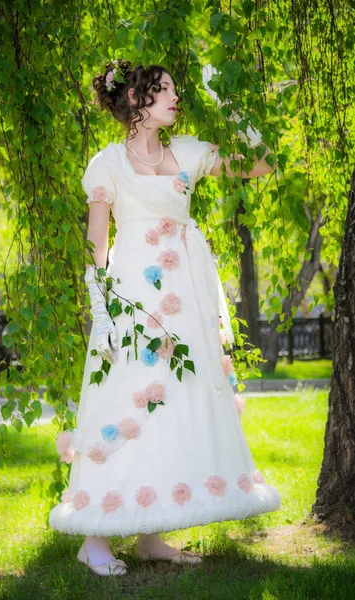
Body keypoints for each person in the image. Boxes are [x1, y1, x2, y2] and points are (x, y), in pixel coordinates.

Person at [48, 60, 281, 576]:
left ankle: (152, 535)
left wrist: (228, 99)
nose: (176, 98)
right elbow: (97, 242)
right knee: (124, 393)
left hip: (187, 291)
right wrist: (101, 307)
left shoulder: (189, 152)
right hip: (132, 298)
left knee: (172, 397)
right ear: (136, 99)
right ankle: (94, 538)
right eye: (165, 91)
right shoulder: (107, 163)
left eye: (177, 90)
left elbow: (263, 163)